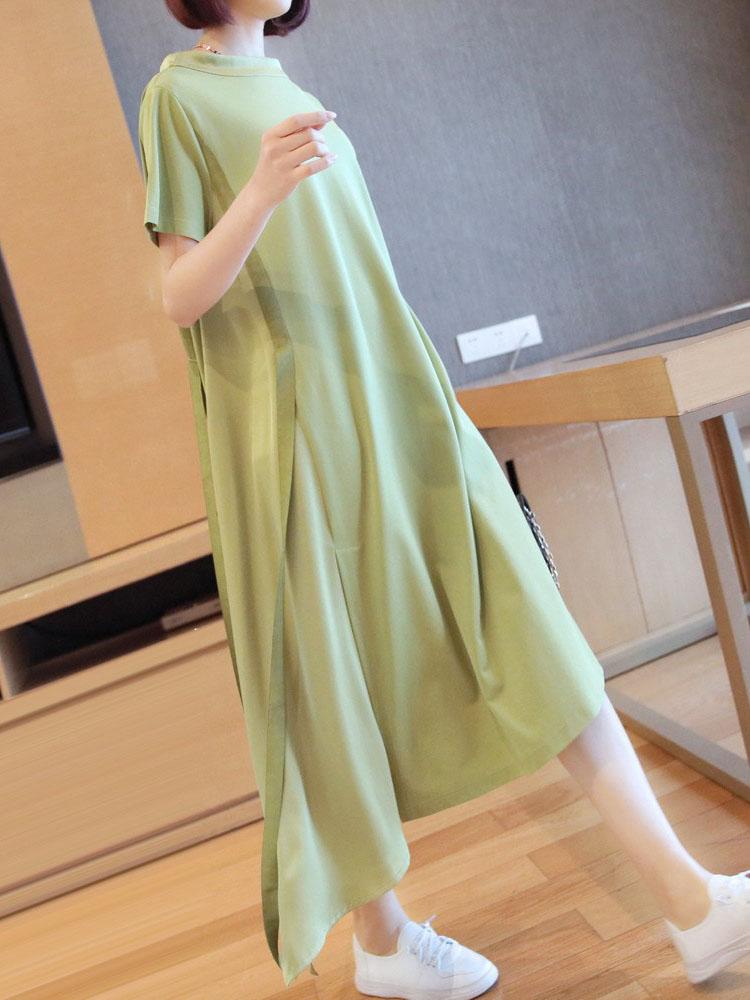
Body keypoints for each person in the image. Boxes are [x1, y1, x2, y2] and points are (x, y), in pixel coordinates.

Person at [137, 1, 750, 995]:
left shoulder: (285, 88)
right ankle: (382, 940)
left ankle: (691, 901)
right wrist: (258, 193)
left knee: (531, 624)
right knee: (329, 680)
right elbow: (178, 297)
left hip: (399, 405)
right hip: (302, 440)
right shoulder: (180, 96)